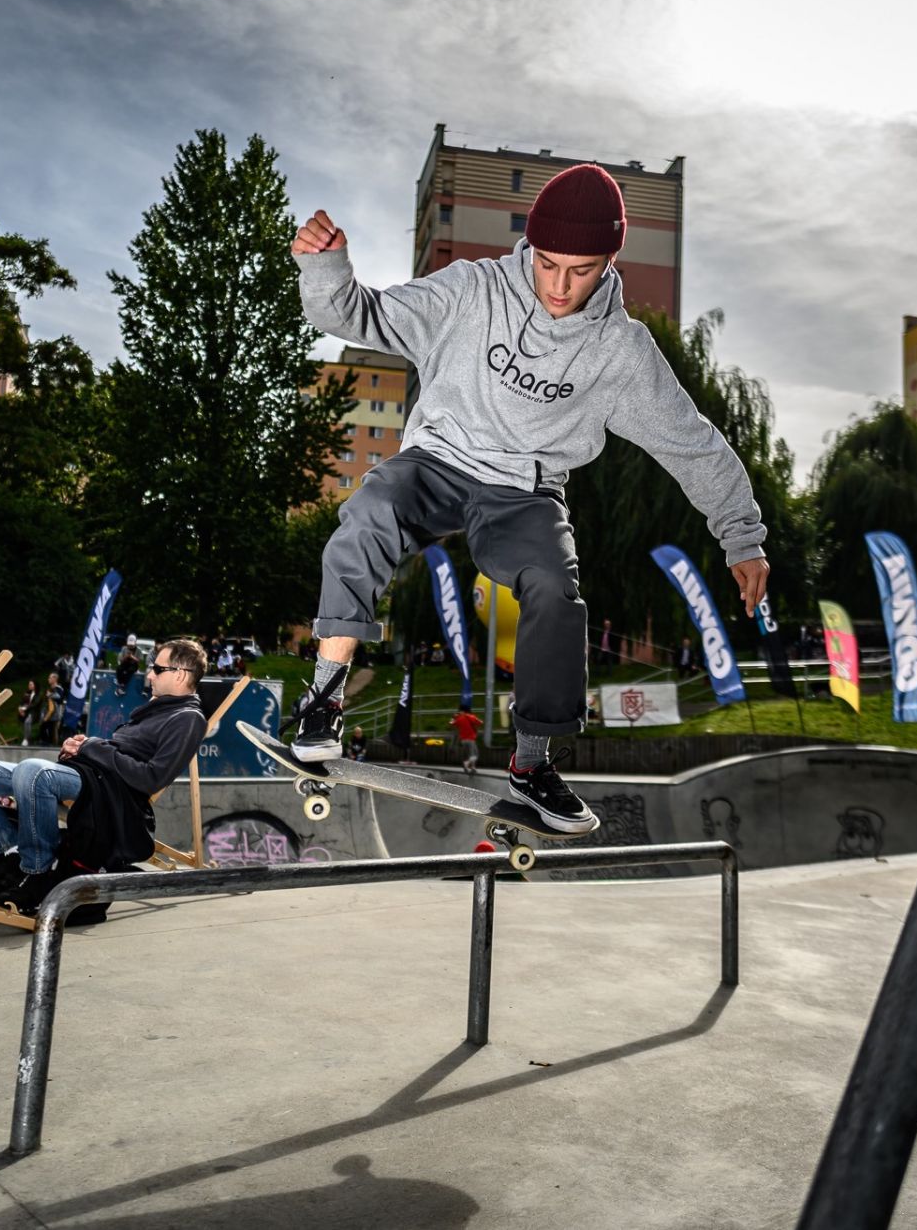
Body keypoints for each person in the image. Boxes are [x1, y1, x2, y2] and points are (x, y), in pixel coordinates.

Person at [286, 166, 769, 833]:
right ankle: (325, 699)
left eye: (582, 270)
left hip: (525, 493)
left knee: (554, 587)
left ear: (609, 261)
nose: (560, 287)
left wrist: (741, 536)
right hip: (439, 460)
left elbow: (692, 442)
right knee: (366, 516)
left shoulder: (619, 350)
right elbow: (357, 313)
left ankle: (534, 763)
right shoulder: (473, 290)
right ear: (530, 250)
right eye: (548, 265)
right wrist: (325, 267)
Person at [0, 638, 208, 919]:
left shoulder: (188, 718)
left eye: (157, 668)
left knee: (33, 772)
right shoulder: (156, 710)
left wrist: (92, 747)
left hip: (110, 791)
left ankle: (36, 872)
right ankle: (3, 859)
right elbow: (115, 752)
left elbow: (151, 778)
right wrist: (81, 747)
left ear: (179, 674)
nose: (149, 674)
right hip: (90, 774)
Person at [450, 703, 483, 775]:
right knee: (475, 755)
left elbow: (451, 723)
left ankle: (473, 768)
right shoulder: (471, 717)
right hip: (471, 739)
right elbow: (480, 722)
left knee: (469, 754)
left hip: (463, 740)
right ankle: (466, 764)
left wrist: (453, 717)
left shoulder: (459, 718)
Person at [17, 677, 40, 746]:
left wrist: (25, 708)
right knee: (25, 722)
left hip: (34, 713)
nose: (29, 686)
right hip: (26, 713)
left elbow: (34, 704)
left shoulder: (38, 694)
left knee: (27, 722)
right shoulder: (27, 693)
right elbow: (22, 702)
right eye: (29, 684)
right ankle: (26, 738)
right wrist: (20, 709)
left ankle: (27, 738)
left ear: (35, 685)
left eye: (31, 684)